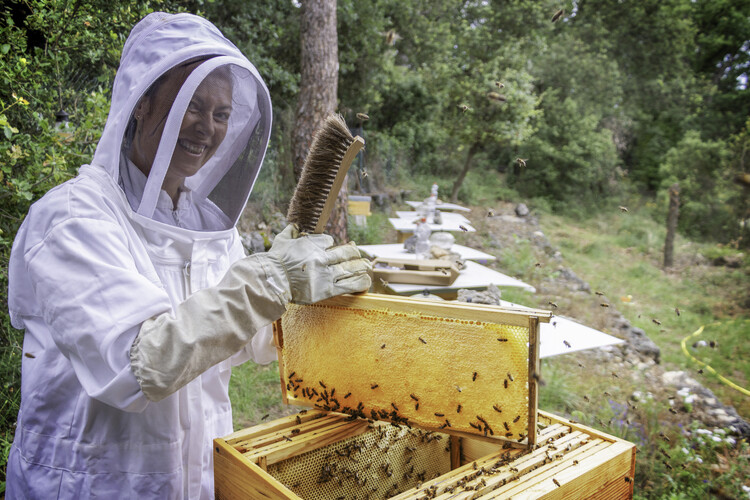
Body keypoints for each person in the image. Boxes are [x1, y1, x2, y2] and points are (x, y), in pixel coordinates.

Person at [6, 12, 371, 499]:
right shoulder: (72, 219)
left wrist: (309, 299)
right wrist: (272, 281)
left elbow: (246, 336)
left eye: (222, 115)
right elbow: (139, 364)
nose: (206, 127)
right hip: (90, 483)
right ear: (141, 103)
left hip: (193, 478)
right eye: (189, 106)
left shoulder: (206, 223)